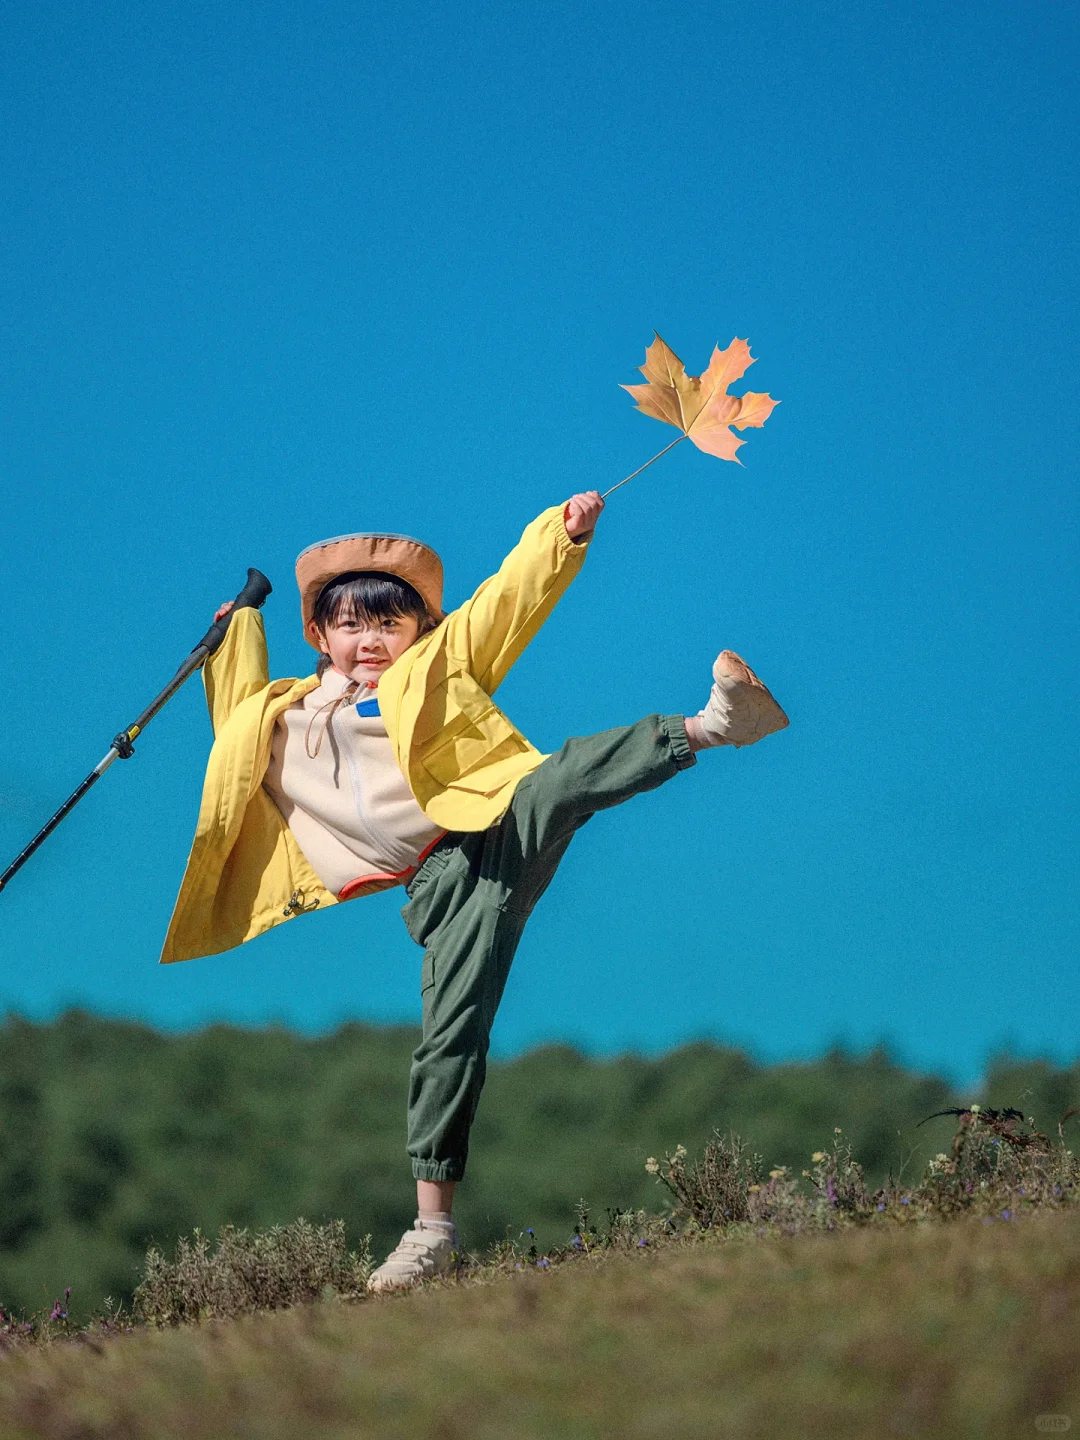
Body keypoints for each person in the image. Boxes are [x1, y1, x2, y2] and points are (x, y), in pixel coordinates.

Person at [162, 490, 788, 1291]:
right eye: (351, 624)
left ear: (419, 627)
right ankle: (431, 1231)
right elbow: (234, 716)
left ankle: (713, 724)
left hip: (491, 825)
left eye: (390, 623)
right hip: (444, 888)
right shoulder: (278, 715)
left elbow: (504, 605)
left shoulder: (435, 666)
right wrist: (236, 628)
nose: (371, 640)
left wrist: (556, 540)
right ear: (319, 634)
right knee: (449, 1034)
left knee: (556, 780)